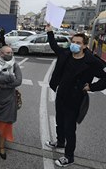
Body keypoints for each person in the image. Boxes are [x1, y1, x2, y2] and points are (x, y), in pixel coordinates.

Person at [45, 23, 106, 167]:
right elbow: (54, 46)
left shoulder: (91, 62)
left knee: (69, 128)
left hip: (75, 99)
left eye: (78, 43)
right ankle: (60, 142)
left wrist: (92, 86)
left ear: (84, 46)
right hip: (61, 95)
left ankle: (69, 157)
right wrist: (50, 32)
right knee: (59, 121)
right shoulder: (66, 54)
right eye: (73, 42)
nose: (74, 45)